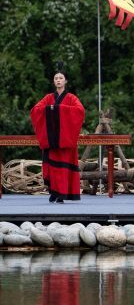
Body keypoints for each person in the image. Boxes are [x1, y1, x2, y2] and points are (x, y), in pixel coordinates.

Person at [30, 67, 85, 203]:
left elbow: (80, 111)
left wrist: (58, 109)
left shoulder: (71, 98)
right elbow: (35, 110)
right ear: (53, 81)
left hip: (65, 140)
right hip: (51, 139)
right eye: (56, 78)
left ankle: (62, 194)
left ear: (65, 81)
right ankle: (54, 192)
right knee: (52, 167)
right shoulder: (49, 97)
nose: (58, 80)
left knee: (63, 167)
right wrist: (50, 109)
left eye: (61, 78)